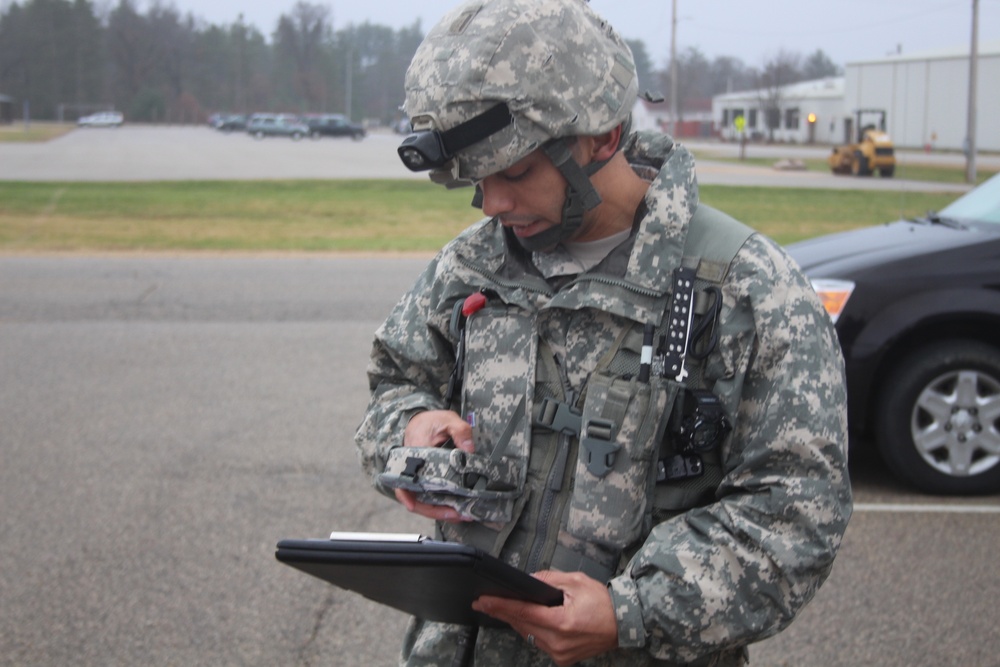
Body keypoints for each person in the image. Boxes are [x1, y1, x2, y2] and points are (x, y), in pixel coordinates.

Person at [355, 1, 853, 665]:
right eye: (478, 179)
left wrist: (630, 612)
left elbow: (796, 513)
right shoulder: (474, 264)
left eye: (516, 172)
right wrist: (410, 434)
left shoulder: (746, 289)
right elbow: (397, 379)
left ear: (604, 137)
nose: (494, 204)